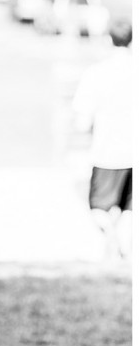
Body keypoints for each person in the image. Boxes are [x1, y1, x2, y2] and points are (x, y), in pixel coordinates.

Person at [72, 18, 133, 261]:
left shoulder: (97, 74)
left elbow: (82, 121)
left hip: (108, 154)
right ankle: (126, 253)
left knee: (98, 208)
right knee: (130, 210)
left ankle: (111, 236)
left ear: (109, 40)